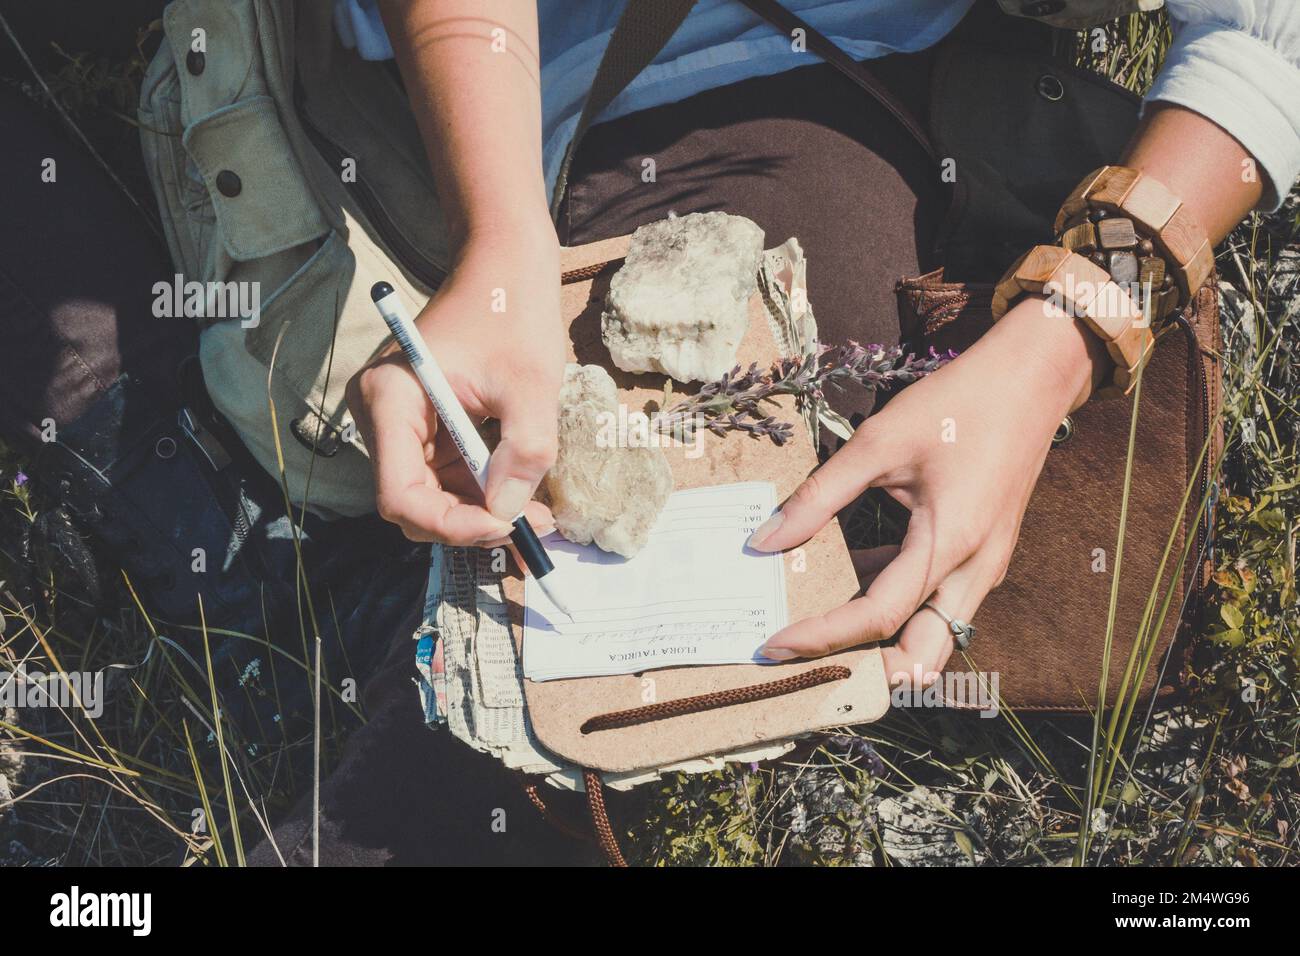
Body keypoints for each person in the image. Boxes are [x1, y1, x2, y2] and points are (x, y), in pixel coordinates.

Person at [345, 0, 1300, 689]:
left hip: (932, 65)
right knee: (669, 601)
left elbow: (1268, 37)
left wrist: (1060, 345)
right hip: (585, 91)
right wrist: (503, 241)